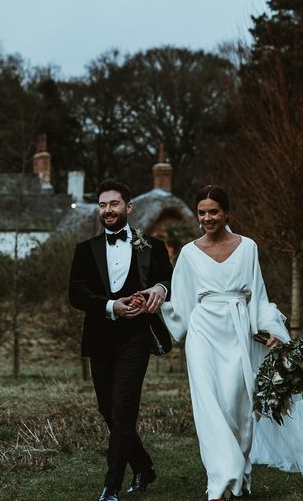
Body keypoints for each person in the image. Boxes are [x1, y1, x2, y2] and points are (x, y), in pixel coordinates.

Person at [161, 185, 303, 500]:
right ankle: (220, 484)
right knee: (209, 407)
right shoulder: (188, 253)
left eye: (214, 211)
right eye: (202, 212)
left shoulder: (248, 247)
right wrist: (158, 305)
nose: (207, 218)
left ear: (226, 213)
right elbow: (180, 306)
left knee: (239, 408)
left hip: (238, 329)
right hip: (203, 333)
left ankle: (241, 480)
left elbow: (258, 294)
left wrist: (271, 329)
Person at [69, 179, 173, 501]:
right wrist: (110, 306)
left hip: (136, 338)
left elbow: (168, 279)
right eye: (102, 205)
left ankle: (110, 488)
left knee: (124, 411)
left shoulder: (152, 247)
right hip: (101, 336)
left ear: (128, 208)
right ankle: (143, 466)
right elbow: (76, 293)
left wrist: (160, 289)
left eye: (113, 204)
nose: (107, 210)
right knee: (107, 409)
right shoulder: (85, 250)